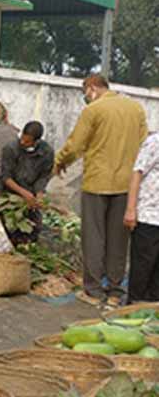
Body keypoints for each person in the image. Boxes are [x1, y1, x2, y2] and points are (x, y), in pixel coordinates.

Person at [54, 75, 148, 308]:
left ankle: (93, 291)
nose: (85, 97)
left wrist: (60, 161)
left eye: (85, 92)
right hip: (126, 184)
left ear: (92, 88)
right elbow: (145, 143)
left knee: (94, 238)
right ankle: (115, 292)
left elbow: (76, 144)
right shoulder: (136, 109)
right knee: (119, 240)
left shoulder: (94, 110)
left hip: (97, 182)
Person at [0, 121, 54, 245]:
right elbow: (5, 177)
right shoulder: (10, 149)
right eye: (22, 138)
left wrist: (39, 193)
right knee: (5, 229)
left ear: (36, 141)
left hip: (30, 196)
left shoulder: (47, 152)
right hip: (8, 193)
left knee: (33, 229)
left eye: (27, 142)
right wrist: (23, 193)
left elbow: (44, 176)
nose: (22, 143)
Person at [124, 132, 159, 303]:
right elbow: (137, 173)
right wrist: (131, 209)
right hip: (149, 216)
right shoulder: (155, 142)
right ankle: (133, 307)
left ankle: (152, 315)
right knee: (142, 268)